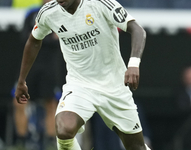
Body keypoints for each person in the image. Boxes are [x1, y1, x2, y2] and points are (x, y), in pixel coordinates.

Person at [15, 0, 149, 149]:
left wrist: (133, 64)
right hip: (79, 85)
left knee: (136, 147)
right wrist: (22, 81)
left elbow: (137, 29)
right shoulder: (48, 12)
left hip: (114, 86)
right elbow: (34, 41)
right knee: (64, 129)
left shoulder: (100, 4)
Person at [12, 0, 66, 150]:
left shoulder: (61, 14)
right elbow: (25, 38)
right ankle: (21, 142)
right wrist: (47, 38)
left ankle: (50, 143)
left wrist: (39, 37)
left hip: (50, 68)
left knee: (51, 104)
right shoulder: (31, 13)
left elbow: (59, 40)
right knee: (19, 102)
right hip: (30, 66)